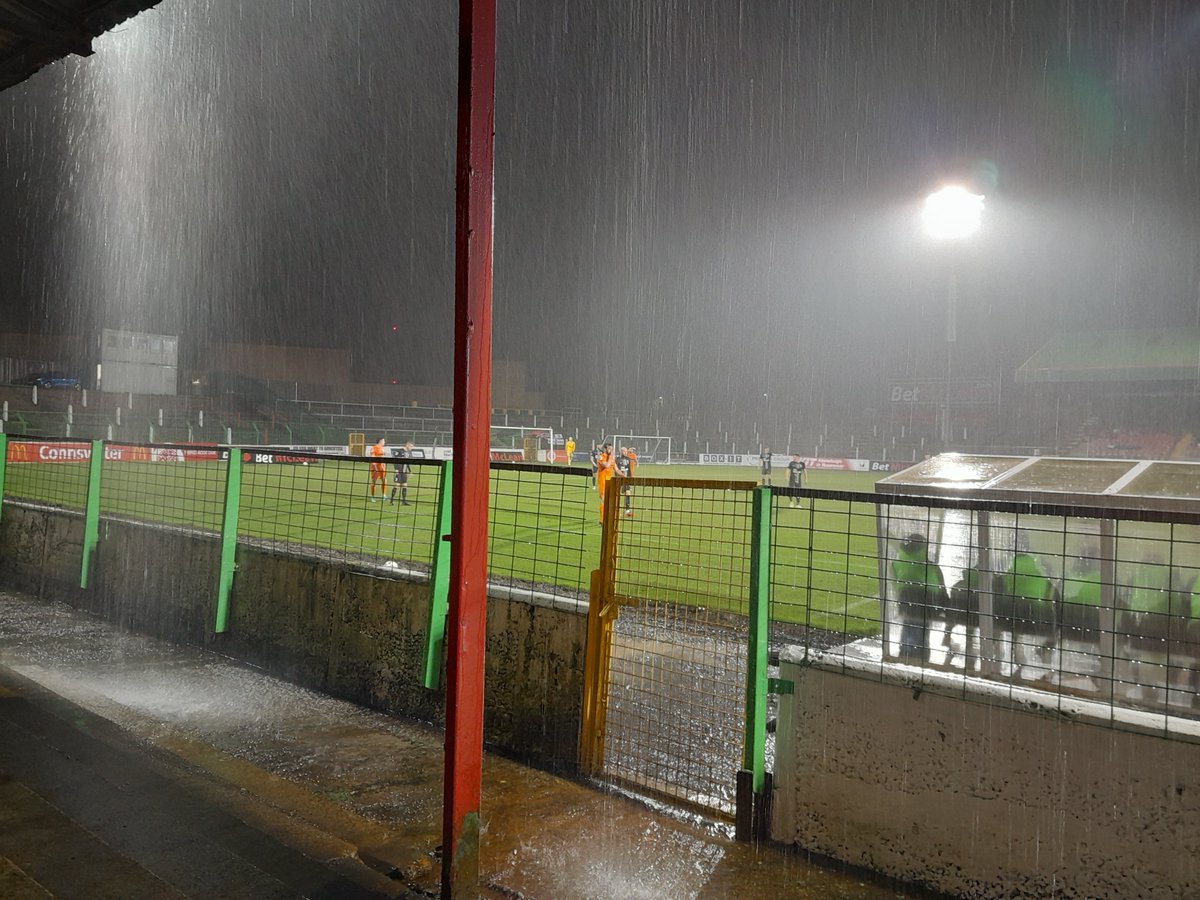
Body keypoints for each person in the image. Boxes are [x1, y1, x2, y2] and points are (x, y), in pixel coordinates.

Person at [891, 533, 947, 663]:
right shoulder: (932, 567)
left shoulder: (897, 564)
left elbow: (896, 584)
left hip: (905, 604)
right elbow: (942, 589)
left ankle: (905, 654)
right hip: (925, 606)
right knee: (921, 635)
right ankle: (919, 658)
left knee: (908, 629)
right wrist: (944, 608)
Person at [595, 442, 616, 523]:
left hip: (609, 482)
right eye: (609, 448)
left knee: (610, 500)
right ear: (605, 449)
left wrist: (624, 476)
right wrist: (610, 457)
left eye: (611, 449)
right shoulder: (601, 457)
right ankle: (602, 519)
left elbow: (616, 469)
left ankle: (609, 516)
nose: (611, 450)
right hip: (602, 482)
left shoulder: (611, 458)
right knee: (603, 500)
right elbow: (607, 465)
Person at [389, 441, 413, 505]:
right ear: (407, 445)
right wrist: (396, 469)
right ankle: (391, 500)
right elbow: (395, 460)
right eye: (411, 446)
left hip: (404, 471)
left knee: (405, 485)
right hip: (399, 471)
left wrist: (410, 471)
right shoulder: (400, 451)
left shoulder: (408, 453)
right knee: (397, 485)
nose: (411, 448)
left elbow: (407, 463)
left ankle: (404, 501)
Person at [616, 446, 637, 517]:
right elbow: (616, 469)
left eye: (625, 451)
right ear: (620, 451)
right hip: (619, 479)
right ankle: (616, 509)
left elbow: (629, 469)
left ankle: (627, 510)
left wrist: (630, 479)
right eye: (623, 451)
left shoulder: (628, 459)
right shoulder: (617, 459)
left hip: (626, 479)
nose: (624, 452)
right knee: (617, 494)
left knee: (627, 493)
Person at [368, 437, 387, 501]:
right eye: (383, 441)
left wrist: (384, 464)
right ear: (380, 441)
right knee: (374, 481)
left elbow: (383, 457)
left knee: (384, 480)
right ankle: (372, 496)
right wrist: (375, 466)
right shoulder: (374, 448)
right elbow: (372, 457)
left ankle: (384, 495)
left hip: (382, 467)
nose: (384, 442)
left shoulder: (382, 448)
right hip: (375, 467)